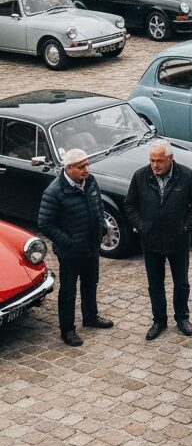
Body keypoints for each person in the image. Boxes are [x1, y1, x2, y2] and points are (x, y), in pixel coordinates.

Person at [124, 140, 192, 341]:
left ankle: (182, 318)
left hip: (178, 241)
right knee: (155, 284)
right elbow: (130, 205)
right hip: (151, 242)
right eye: (152, 160)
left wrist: (186, 227)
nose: (155, 165)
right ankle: (159, 320)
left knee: (181, 283)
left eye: (159, 161)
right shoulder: (140, 176)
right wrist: (143, 227)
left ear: (170, 159)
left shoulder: (185, 175)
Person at [37, 148, 114, 347]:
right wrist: (69, 241)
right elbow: (45, 223)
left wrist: (101, 228)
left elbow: (98, 205)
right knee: (69, 291)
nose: (86, 169)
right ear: (69, 168)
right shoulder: (54, 192)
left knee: (91, 283)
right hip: (70, 252)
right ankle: (67, 330)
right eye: (81, 167)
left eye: (87, 165)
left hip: (91, 247)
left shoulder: (90, 181)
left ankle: (90, 317)